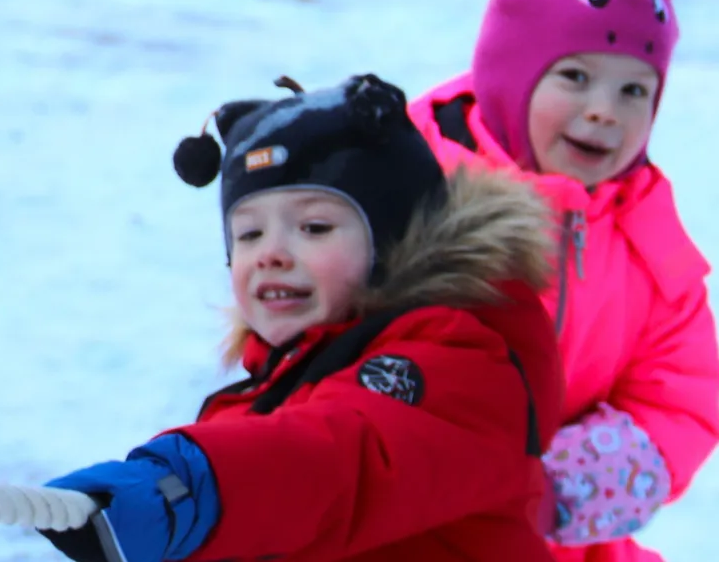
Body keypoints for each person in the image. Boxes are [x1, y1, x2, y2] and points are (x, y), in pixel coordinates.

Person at [41, 74, 563, 562]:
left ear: (397, 241)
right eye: (248, 234)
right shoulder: (268, 394)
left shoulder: (458, 365)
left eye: (313, 227)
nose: (271, 253)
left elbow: (342, 461)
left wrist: (202, 483)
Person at [408, 0, 719, 561]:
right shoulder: (416, 184)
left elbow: (680, 393)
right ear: (510, 73)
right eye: (575, 77)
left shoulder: (646, 234)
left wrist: (561, 487)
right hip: (401, 515)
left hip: (549, 536)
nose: (606, 109)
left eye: (635, 89)